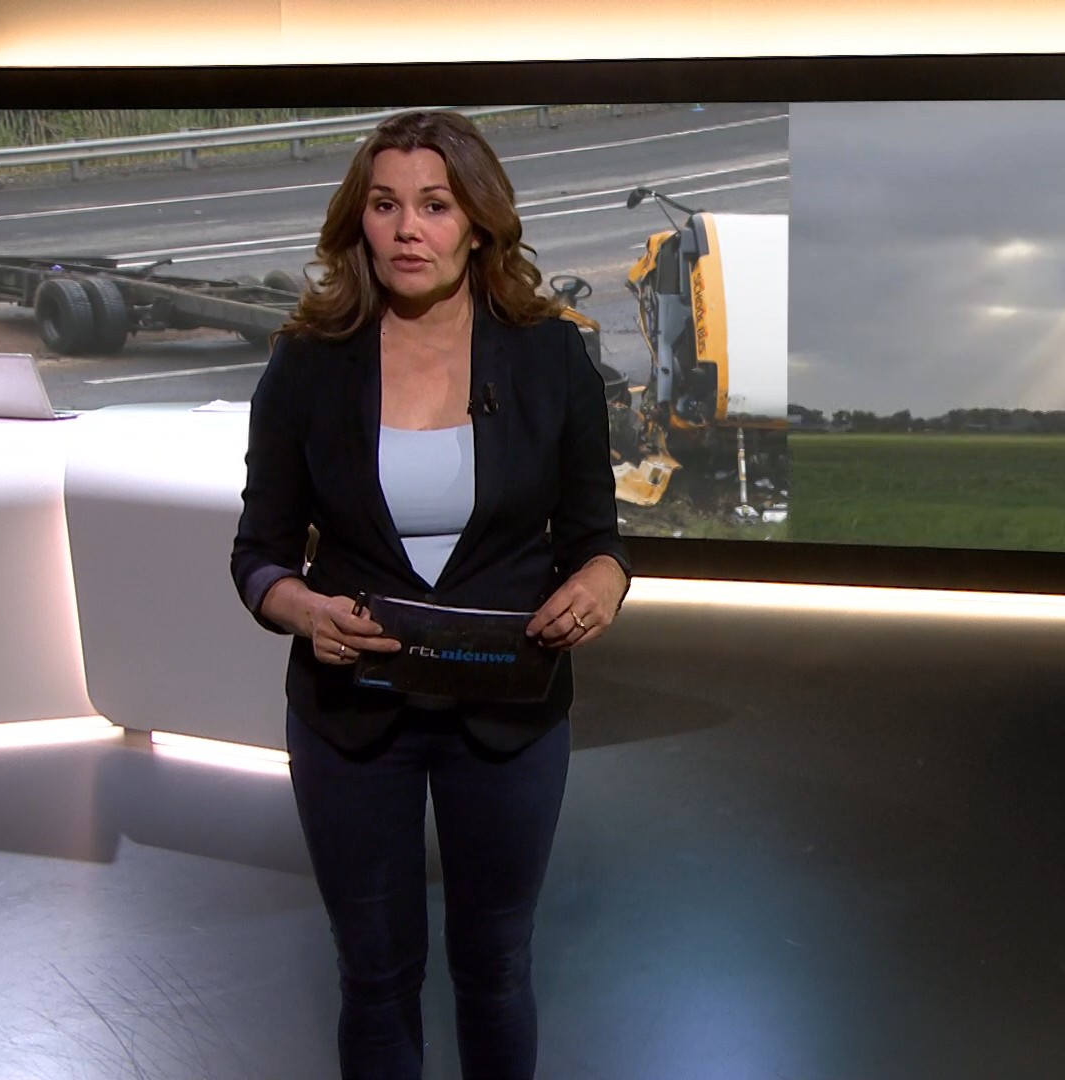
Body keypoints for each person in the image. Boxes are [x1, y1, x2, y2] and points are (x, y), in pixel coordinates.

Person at [230, 110, 630, 1080]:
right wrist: (305, 611)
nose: (409, 229)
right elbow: (259, 555)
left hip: (507, 710)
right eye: (385, 206)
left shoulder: (551, 357)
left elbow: (598, 541)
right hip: (350, 716)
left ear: (479, 225)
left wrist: (601, 586)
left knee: (495, 966)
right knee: (373, 977)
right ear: (359, 224)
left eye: (436, 206)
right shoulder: (305, 364)